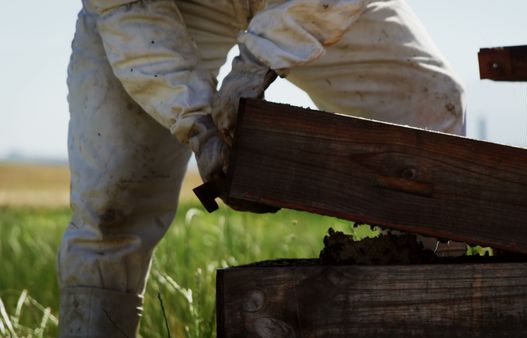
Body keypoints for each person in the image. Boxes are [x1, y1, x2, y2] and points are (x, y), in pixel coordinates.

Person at [58, 0, 465, 336]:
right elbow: (126, 7)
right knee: (113, 205)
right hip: (165, 9)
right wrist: (201, 127)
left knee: (431, 113)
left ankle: (415, 316)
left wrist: (257, 62)